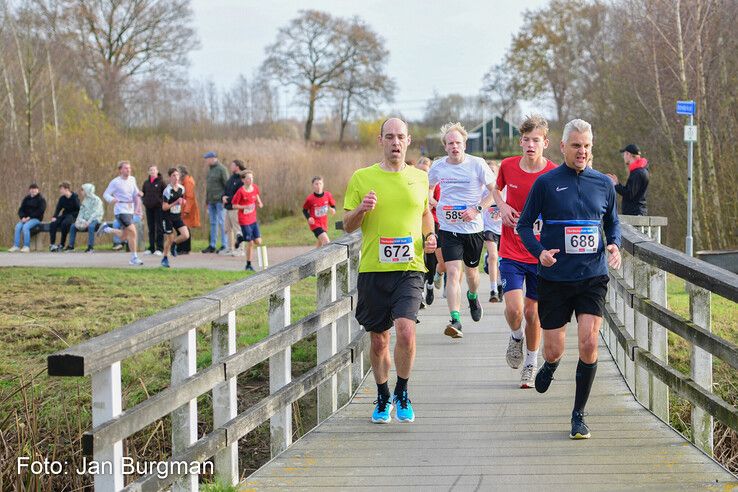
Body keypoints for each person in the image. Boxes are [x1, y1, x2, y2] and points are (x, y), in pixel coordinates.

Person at [518, 118, 621, 440]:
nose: (583, 152)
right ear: (563, 146)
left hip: (592, 275)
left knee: (590, 341)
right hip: (555, 278)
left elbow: (613, 223)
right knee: (553, 349)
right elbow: (524, 226)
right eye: (577, 145)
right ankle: (549, 365)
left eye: (588, 146)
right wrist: (539, 252)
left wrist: (614, 244)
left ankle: (578, 414)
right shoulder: (547, 184)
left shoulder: (603, 183)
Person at [343, 117, 436, 424]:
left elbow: (425, 214)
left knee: (406, 331)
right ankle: (383, 396)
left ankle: (403, 392)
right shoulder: (361, 178)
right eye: (390, 137)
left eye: (401, 137)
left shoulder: (420, 178)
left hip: (410, 267)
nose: (396, 142)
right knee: (379, 340)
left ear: (408, 141)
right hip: (373, 269)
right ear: (380, 141)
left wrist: (430, 236)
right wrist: (361, 209)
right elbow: (346, 225)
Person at [492, 115, 558, 388]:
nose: (531, 145)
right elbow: (495, 190)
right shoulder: (508, 166)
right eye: (526, 140)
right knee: (515, 309)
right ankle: (516, 336)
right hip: (511, 249)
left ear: (546, 142)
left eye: (536, 140)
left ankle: (530, 363)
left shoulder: (553, 172)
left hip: (540, 254)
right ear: (521, 142)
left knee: (533, 313)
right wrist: (502, 207)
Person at [428, 122, 495, 339]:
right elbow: (427, 190)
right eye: (450, 143)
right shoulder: (438, 167)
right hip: (449, 229)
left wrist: (476, 210)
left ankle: (473, 295)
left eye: (458, 142)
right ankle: (455, 319)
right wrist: (435, 203)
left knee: (472, 274)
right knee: (454, 273)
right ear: (445, 146)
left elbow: (495, 193)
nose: (454, 146)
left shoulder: (477, 164)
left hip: (473, 229)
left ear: (464, 144)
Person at [98, 160, 144, 265]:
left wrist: (139, 193)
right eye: (126, 168)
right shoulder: (115, 182)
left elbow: (135, 192)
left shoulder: (132, 179)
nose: (128, 170)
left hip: (130, 209)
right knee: (133, 232)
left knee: (124, 236)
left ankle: (107, 229)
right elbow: (106, 194)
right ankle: (134, 258)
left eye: (129, 168)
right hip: (121, 210)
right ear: (120, 170)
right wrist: (112, 199)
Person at [413, 157, 440, 307]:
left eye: (425, 171)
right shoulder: (412, 183)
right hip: (415, 224)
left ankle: (430, 284)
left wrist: (432, 203)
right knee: (418, 257)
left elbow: (439, 203)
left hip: (433, 223)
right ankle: (419, 293)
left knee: (431, 259)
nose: (422, 173)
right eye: (420, 170)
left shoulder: (435, 185)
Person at [231, 170, 264, 271]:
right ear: (243, 180)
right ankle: (248, 265)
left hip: (253, 218)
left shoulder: (255, 188)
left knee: (258, 241)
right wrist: (244, 206)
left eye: (252, 178)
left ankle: (240, 239)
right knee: (250, 242)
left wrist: (259, 202)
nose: (251, 180)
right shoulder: (240, 191)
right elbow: (234, 205)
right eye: (248, 178)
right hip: (244, 219)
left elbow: (256, 196)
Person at [606, 143, 649, 216]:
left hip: (635, 214)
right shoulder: (640, 170)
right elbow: (631, 192)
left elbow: (629, 194)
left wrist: (616, 185)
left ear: (628, 154)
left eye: (624, 155)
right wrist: (617, 184)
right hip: (636, 213)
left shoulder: (638, 172)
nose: (624, 157)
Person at [160, 168, 190, 268]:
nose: (176, 177)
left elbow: (182, 200)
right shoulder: (167, 191)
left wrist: (183, 202)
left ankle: (174, 244)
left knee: (185, 235)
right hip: (168, 217)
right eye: (174, 175)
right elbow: (164, 207)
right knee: (169, 238)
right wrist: (175, 203)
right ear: (170, 177)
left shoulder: (182, 188)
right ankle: (164, 258)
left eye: (177, 175)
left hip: (177, 216)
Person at [482, 161, 503, 303]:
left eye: (493, 171)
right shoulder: (482, 189)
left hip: (504, 229)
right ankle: (494, 289)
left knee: (502, 260)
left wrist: (502, 213)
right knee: (494, 256)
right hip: (489, 228)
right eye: (488, 171)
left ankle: (501, 285)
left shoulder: (504, 188)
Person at [202, 151, 229, 253]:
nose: (206, 161)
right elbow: (209, 188)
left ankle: (224, 245)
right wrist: (206, 201)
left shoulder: (222, 169)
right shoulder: (210, 170)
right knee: (213, 223)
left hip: (220, 201)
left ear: (213, 158)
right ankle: (212, 245)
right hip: (211, 201)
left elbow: (227, 185)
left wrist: (225, 198)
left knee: (222, 222)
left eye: (207, 159)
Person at [10, 183, 46, 252]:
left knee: (25, 227)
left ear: (38, 190)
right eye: (32, 189)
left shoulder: (41, 199)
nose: (33, 191)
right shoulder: (26, 199)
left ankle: (26, 246)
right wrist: (22, 217)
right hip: (25, 219)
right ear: (29, 190)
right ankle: (16, 246)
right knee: (17, 226)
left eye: (35, 189)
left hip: (36, 219)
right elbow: (21, 209)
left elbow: (41, 211)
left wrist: (29, 217)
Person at [68, 183, 104, 252]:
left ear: (87, 190)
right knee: (73, 226)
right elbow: (81, 212)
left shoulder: (97, 200)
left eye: (82, 190)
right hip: (85, 220)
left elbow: (96, 213)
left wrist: (88, 222)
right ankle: (71, 246)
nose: (81, 192)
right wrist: (79, 220)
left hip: (95, 219)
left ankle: (90, 247)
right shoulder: (85, 200)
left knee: (91, 227)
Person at [302, 176, 336, 247]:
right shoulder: (310, 199)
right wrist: (309, 218)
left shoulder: (328, 195)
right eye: (316, 184)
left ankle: (314, 257)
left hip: (324, 224)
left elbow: (333, 205)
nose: (318, 186)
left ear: (323, 184)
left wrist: (333, 209)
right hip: (315, 224)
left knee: (320, 244)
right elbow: (304, 210)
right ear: (313, 186)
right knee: (326, 242)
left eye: (320, 183)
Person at [223, 159, 246, 255]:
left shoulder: (242, 179)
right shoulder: (231, 178)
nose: (230, 167)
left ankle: (241, 249)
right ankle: (230, 248)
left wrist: (227, 199)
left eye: (232, 165)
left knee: (237, 228)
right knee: (228, 228)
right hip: (228, 207)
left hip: (236, 207)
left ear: (237, 167)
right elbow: (226, 189)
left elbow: (240, 194)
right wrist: (223, 197)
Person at [48, 181, 80, 252]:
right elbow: (58, 208)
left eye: (61, 189)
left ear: (67, 189)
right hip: (65, 214)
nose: (60, 191)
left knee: (64, 224)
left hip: (73, 215)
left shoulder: (74, 197)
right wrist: (54, 216)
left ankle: (62, 244)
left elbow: (79, 209)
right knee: (53, 224)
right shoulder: (62, 198)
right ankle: (52, 244)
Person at [141, 165, 165, 255]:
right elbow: (143, 194)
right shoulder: (146, 183)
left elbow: (165, 194)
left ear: (157, 171)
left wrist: (161, 202)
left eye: (154, 170)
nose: (152, 171)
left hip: (158, 208)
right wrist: (145, 202)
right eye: (150, 170)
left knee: (159, 228)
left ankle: (159, 248)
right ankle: (151, 248)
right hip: (149, 208)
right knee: (151, 228)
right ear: (149, 172)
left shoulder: (161, 182)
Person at [178, 165, 200, 254]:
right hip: (184, 207)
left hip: (188, 208)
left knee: (184, 227)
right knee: (183, 227)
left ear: (182, 173)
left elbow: (189, 197)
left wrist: (186, 210)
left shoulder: (188, 182)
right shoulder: (184, 181)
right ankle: (182, 248)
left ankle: (185, 249)